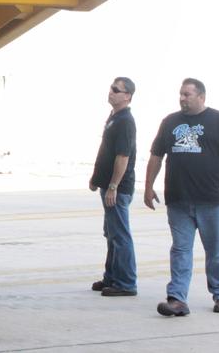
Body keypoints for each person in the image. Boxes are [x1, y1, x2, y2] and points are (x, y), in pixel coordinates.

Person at [144, 78, 219, 316]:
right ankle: (177, 299)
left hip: (213, 199)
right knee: (180, 249)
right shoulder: (170, 121)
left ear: (201, 96)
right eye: (180, 94)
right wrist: (148, 187)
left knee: (217, 250)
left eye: (187, 94)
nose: (182, 98)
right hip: (179, 199)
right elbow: (156, 156)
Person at [88, 77, 137, 296]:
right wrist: (96, 178)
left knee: (120, 235)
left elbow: (123, 156)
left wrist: (113, 186)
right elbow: (105, 150)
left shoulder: (125, 120)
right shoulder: (114, 117)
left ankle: (126, 283)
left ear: (127, 96)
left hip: (117, 188)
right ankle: (111, 277)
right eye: (111, 88)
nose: (111, 92)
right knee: (111, 233)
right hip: (107, 185)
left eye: (117, 90)